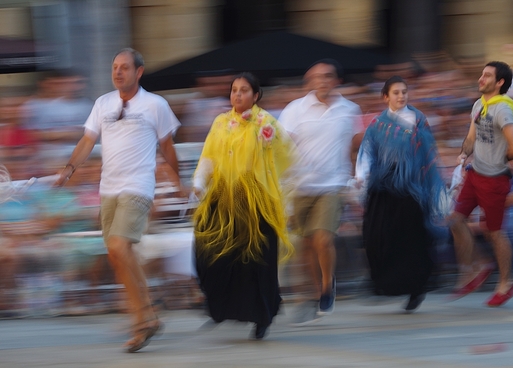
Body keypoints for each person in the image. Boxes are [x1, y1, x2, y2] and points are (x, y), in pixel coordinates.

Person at [55, 48, 183, 352]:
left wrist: (178, 181)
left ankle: (141, 320)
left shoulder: (155, 104)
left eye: (124, 67)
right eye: (114, 67)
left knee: (118, 246)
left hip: (137, 187)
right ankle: (149, 315)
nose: (117, 72)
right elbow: (88, 140)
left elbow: (167, 145)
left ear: (138, 72)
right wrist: (69, 169)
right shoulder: (103, 103)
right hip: (108, 189)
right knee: (117, 255)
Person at [192, 72, 294, 340]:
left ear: (256, 95)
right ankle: (220, 304)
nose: (237, 95)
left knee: (257, 260)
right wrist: (200, 183)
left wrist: (282, 191)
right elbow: (209, 155)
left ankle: (261, 315)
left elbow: (285, 156)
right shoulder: (221, 122)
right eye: (234, 90)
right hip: (224, 196)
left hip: (256, 200)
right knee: (207, 248)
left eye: (244, 90)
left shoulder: (267, 124)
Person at [278, 59, 363, 321]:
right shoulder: (295, 109)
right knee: (305, 244)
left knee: (322, 239)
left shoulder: (350, 110)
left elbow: (356, 148)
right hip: (300, 186)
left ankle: (327, 286)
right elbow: (281, 147)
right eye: (316, 77)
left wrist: (355, 179)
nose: (322, 81)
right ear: (309, 82)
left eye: (327, 76)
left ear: (337, 81)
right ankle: (315, 292)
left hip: (332, 185)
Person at [355, 76, 445, 312]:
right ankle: (382, 282)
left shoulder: (418, 119)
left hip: (411, 188)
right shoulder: (377, 124)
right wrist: (361, 176)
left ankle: (417, 287)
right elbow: (367, 153)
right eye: (396, 92)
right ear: (386, 97)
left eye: (404, 92)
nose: (401, 96)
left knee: (412, 238)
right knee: (375, 234)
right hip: (382, 186)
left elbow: (428, 154)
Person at [447, 61, 513, 307]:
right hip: (474, 174)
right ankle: (476, 267)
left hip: (495, 180)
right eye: (482, 74)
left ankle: (506, 283)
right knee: (455, 220)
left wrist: (500, 159)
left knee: (494, 232)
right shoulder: (479, 104)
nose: (481, 78)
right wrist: (463, 154)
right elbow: (471, 138)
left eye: (487, 75)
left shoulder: (502, 110)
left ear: (499, 82)